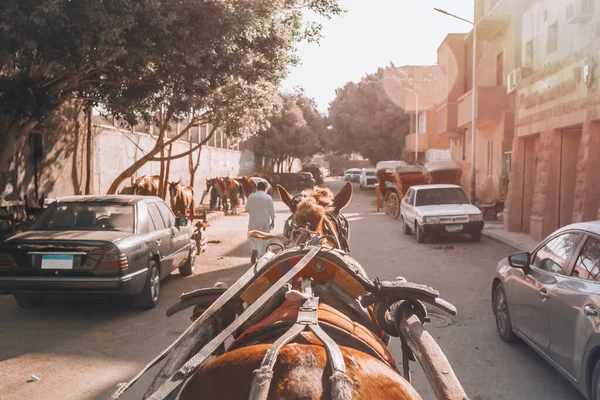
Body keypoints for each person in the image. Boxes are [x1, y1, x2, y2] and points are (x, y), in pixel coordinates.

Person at [246, 181, 275, 263]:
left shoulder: (251, 196)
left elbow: (247, 208)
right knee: (264, 237)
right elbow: (271, 211)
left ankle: (254, 248)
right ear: (265, 188)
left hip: (254, 221)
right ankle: (262, 255)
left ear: (256, 188)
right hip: (265, 221)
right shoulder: (268, 198)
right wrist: (273, 221)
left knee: (252, 235)